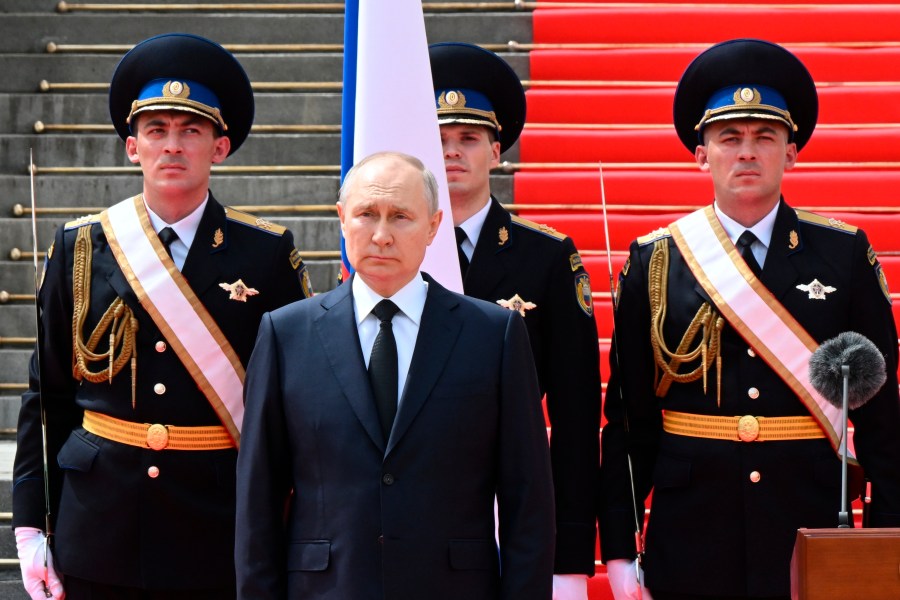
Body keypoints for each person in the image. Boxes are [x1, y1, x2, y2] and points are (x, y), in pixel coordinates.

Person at [12, 32, 311, 600]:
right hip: (99, 526)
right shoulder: (80, 247)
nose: (172, 146)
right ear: (132, 146)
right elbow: (45, 396)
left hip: (217, 526)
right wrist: (30, 526)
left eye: (191, 130)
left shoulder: (266, 254)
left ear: (219, 147)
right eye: (156, 130)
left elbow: (293, 399)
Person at [598, 38, 900, 600]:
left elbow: (883, 420)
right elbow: (629, 423)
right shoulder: (655, 260)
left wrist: (887, 534)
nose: (747, 153)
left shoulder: (843, 254)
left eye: (765, 138)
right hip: (690, 531)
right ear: (701, 152)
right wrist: (619, 547)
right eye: (729, 138)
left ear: (791, 152)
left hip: (807, 520)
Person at [235, 151, 556, 600]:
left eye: (401, 217)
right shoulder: (286, 334)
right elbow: (258, 500)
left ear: (433, 226)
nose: (381, 235)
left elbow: (529, 502)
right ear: (342, 219)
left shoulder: (493, 335)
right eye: (367, 214)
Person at [429, 42, 602, 600]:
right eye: (439, 139)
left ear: (496, 150)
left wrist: (571, 556)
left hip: (512, 510)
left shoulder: (545, 257)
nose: (451, 153)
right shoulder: (381, 250)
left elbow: (576, 417)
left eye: (468, 139)